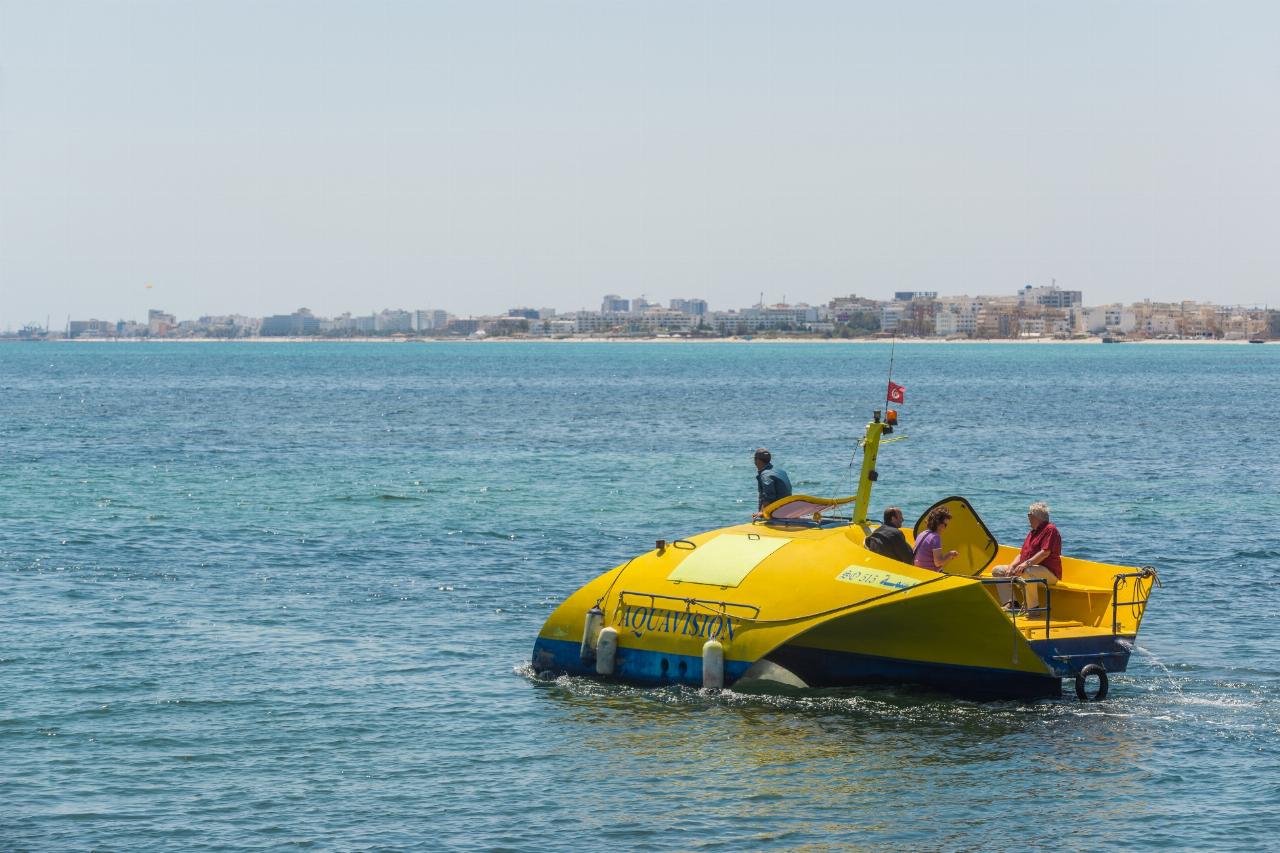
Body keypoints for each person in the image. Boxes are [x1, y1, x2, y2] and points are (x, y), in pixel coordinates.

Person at [991, 502, 1062, 613]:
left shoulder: (1050, 529)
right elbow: (1022, 554)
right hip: (1031, 569)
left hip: (1049, 573)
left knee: (1028, 571)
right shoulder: (1032, 532)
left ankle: (1033, 609)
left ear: (1035, 517)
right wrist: (1012, 566)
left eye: (1029, 515)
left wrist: (1025, 564)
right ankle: (1012, 604)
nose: (1028, 518)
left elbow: (1045, 552)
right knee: (998, 570)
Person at [913, 506, 960, 571]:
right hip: (929, 572)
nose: (945, 527)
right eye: (945, 524)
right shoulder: (935, 537)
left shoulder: (922, 534)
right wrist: (950, 554)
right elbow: (938, 563)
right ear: (938, 523)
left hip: (918, 570)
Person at [753, 448, 792, 515]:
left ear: (758, 460)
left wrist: (762, 512)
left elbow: (769, 496)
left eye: (754, 459)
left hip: (777, 512)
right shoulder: (781, 471)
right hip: (788, 508)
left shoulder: (765, 475)